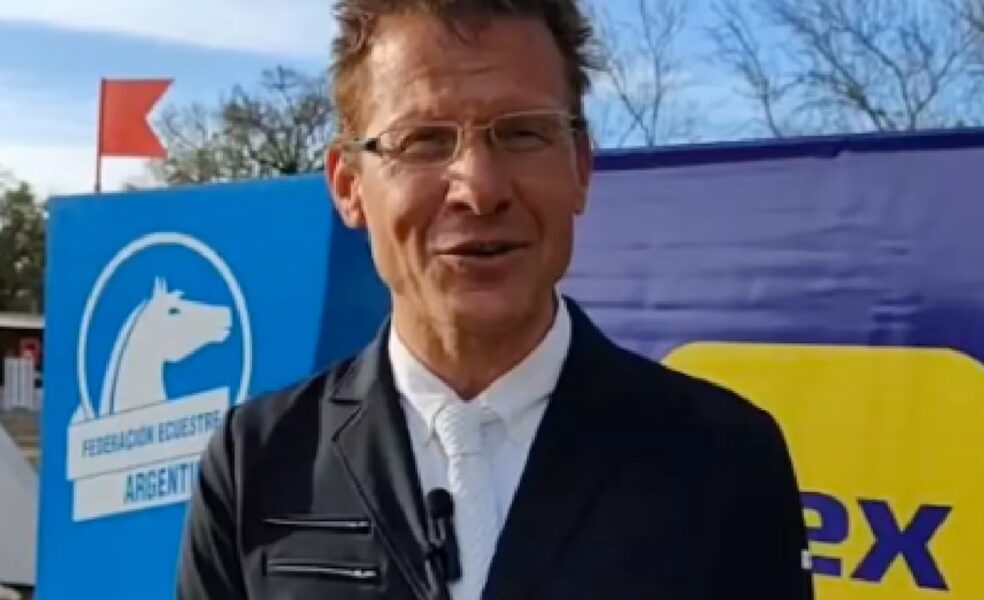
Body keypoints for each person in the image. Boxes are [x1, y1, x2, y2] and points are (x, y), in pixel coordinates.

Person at [176, 1, 814, 598]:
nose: (479, 189)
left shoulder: (724, 459)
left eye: (523, 134)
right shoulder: (255, 463)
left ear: (580, 167)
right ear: (349, 186)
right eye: (424, 140)